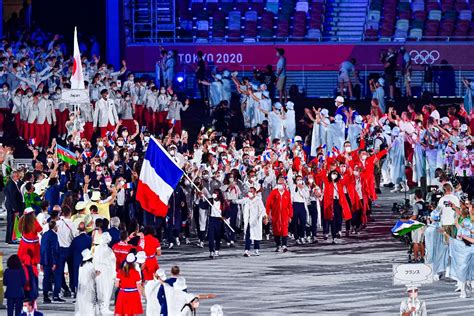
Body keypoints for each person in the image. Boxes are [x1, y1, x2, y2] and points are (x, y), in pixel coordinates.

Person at [235, 186, 266, 257]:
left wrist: (265, 216)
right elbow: (238, 201)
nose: (250, 193)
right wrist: (230, 200)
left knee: (256, 235)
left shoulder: (258, 200)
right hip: (248, 221)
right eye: (249, 191)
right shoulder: (247, 200)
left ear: (255, 193)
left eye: (251, 191)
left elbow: (262, 209)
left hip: (256, 221)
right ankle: (247, 250)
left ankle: (256, 249)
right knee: (248, 235)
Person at [266, 176, 293, 252]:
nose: (280, 185)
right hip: (275, 214)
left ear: (284, 184)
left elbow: (289, 205)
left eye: (281, 183)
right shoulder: (274, 192)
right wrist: (267, 214)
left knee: (284, 230)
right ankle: (278, 245)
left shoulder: (287, 193)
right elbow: (268, 204)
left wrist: (290, 215)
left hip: (284, 214)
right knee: (276, 230)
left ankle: (284, 245)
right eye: (279, 183)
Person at [93, 232, 116, 314]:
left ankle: (100, 307)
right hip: (107, 271)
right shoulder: (109, 251)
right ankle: (104, 307)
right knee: (107, 289)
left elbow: (94, 260)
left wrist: (95, 269)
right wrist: (114, 274)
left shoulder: (96, 249)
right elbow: (113, 263)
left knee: (99, 288)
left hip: (99, 270)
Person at [70, 222, 92, 297]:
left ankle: (77, 292)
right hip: (86, 261)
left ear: (79, 230)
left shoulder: (75, 240)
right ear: (85, 229)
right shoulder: (90, 239)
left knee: (77, 276)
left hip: (77, 261)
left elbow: (71, 250)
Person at [39, 221, 59, 304]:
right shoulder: (54, 235)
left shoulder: (44, 234)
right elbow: (54, 249)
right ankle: (51, 295)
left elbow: (42, 248)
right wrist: (54, 262)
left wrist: (41, 262)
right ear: (54, 227)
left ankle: (45, 295)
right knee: (52, 278)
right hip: (50, 260)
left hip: (44, 259)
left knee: (46, 278)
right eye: (57, 226)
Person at [74, 249, 98, 316]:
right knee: (90, 303)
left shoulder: (81, 265)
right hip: (89, 287)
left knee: (82, 302)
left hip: (81, 287)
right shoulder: (90, 265)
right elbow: (93, 275)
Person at [5, 170, 24, 244]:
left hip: (11, 206)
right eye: (17, 176)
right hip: (11, 207)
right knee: (11, 223)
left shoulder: (12, 183)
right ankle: (9, 239)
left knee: (11, 222)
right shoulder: (11, 184)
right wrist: (15, 209)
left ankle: (9, 239)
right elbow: (12, 198)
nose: (18, 177)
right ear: (14, 176)